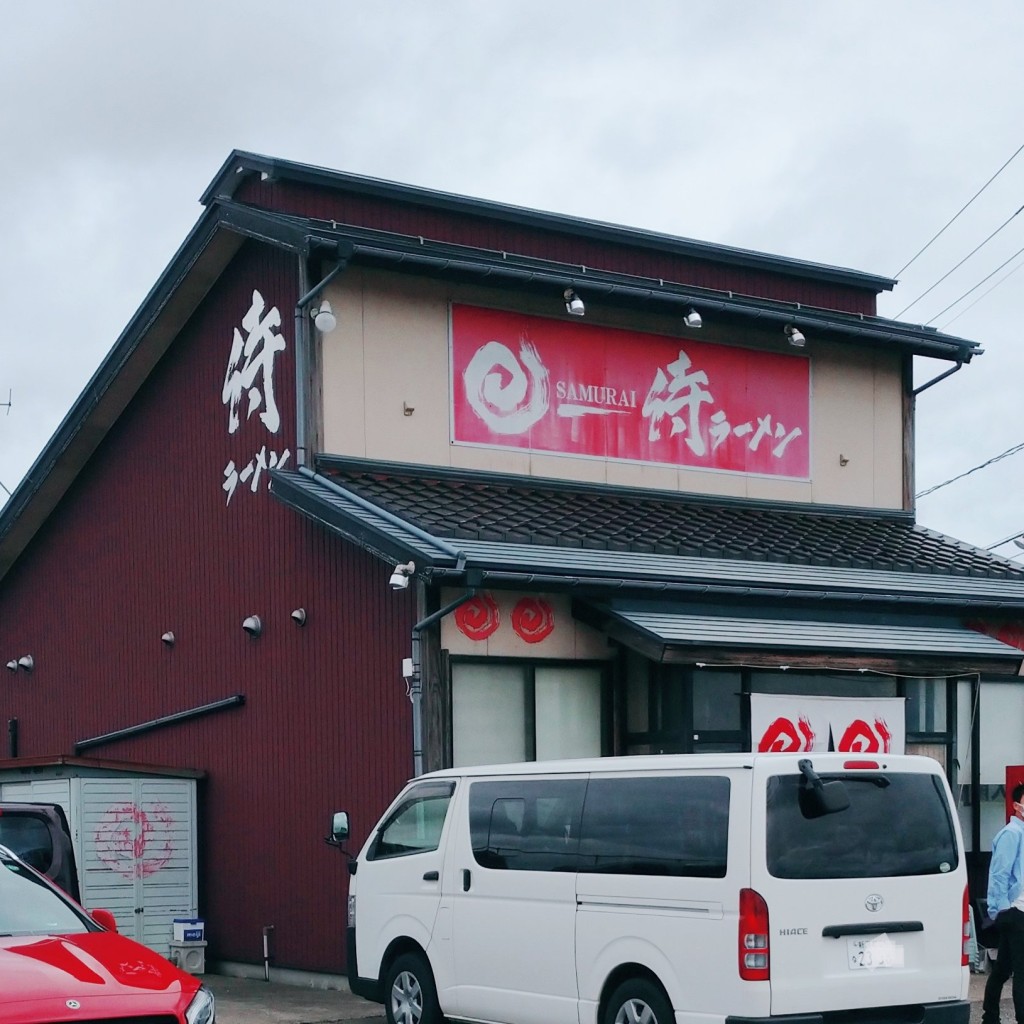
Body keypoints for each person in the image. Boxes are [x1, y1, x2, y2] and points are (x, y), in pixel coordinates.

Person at [983, 782, 1024, 1024]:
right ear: (1017, 805)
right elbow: (999, 875)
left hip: (1017, 911)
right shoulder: (1012, 834)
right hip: (1015, 911)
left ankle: (990, 1017)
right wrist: (999, 911)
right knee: (1021, 973)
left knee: (1002, 970)